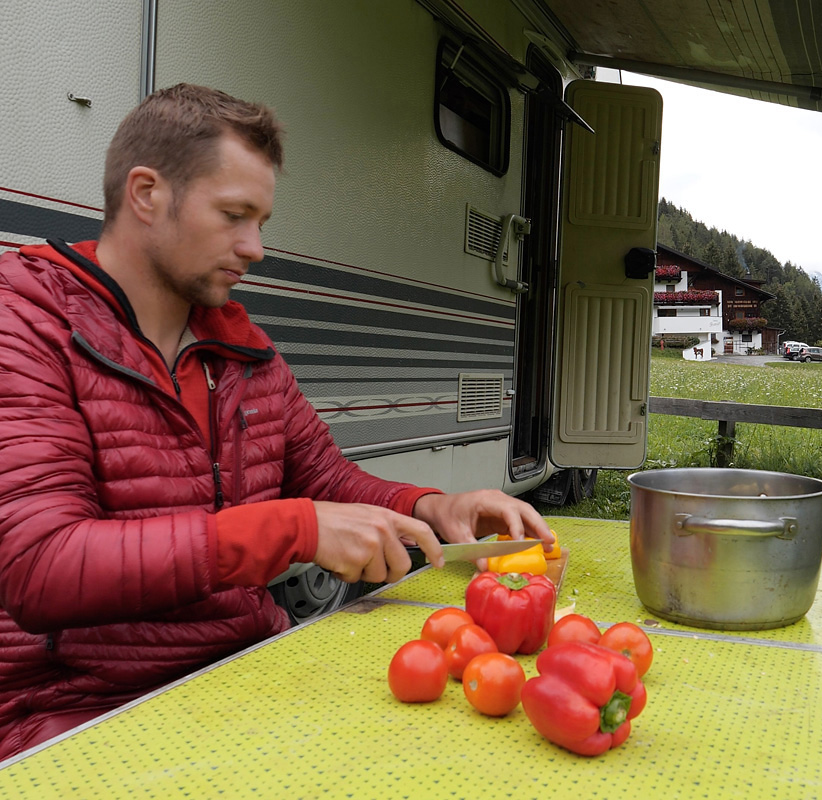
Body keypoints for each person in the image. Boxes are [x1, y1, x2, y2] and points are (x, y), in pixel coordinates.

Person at [0, 84, 553, 759]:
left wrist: (435, 507)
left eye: (261, 221)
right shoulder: (26, 323)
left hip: (241, 672)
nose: (255, 247)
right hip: (70, 713)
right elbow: (39, 566)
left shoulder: (244, 348)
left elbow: (326, 479)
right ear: (146, 194)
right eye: (234, 216)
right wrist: (292, 528)